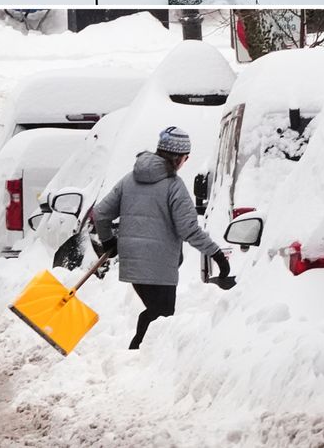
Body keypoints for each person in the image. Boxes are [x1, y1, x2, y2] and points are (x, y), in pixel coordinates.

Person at [93, 126, 233, 350]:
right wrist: (217, 255)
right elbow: (189, 230)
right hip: (160, 267)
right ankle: (136, 353)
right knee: (162, 317)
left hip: (133, 264)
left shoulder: (129, 179)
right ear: (178, 158)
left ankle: (138, 354)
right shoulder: (174, 187)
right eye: (186, 158)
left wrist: (108, 241)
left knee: (158, 314)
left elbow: (100, 213)